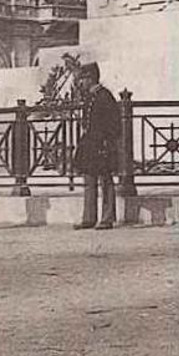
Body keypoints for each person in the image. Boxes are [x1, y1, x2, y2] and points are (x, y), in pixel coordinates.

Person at [73, 62, 121, 230]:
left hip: (102, 144)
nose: (81, 82)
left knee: (105, 181)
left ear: (91, 78)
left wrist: (107, 143)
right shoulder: (90, 97)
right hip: (90, 144)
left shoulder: (104, 96)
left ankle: (107, 219)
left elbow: (114, 123)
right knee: (89, 180)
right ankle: (89, 218)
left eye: (83, 79)